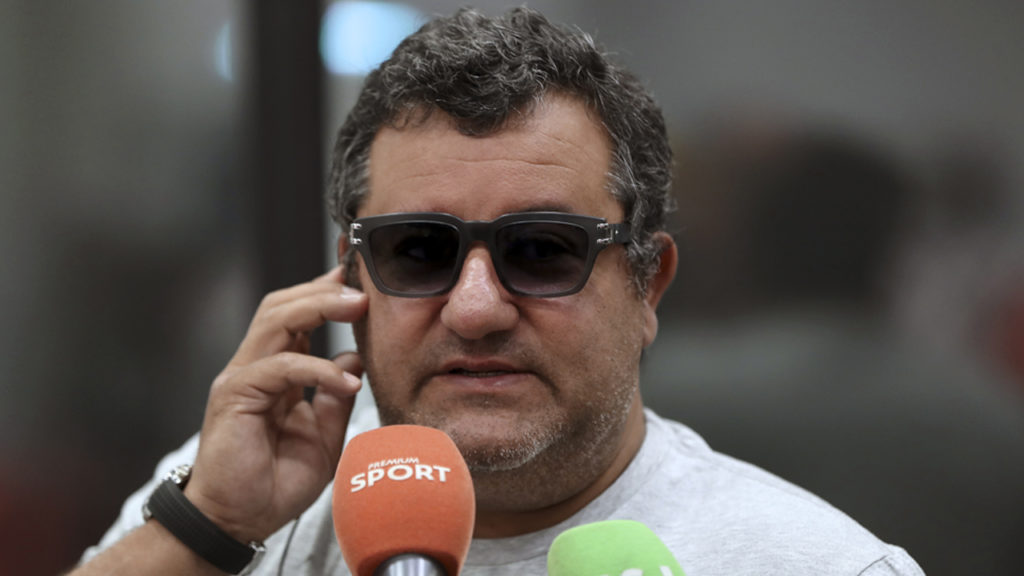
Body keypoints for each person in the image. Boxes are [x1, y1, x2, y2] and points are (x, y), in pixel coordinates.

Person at [72, 7, 924, 575]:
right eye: (418, 251)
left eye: (543, 251)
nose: (475, 308)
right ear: (352, 279)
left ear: (648, 285)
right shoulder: (227, 507)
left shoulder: (818, 565)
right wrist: (211, 527)